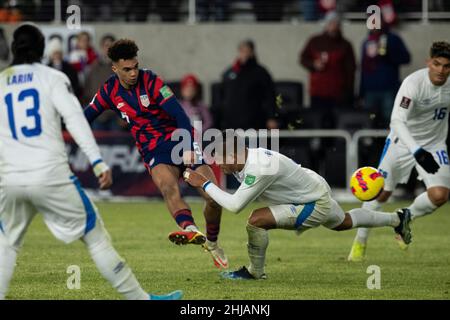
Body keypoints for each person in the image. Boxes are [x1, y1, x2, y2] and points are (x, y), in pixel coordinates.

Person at [0, 24, 182, 300]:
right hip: (50, 175)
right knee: (95, 236)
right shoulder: (52, 77)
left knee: (7, 246)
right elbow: (76, 120)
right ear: (41, 50)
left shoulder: (2, 81)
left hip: (11, 179)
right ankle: (141, 299)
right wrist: (97, 161)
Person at [182, 130, 412, 279]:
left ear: (234, 155)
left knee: (255, 221)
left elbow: (234, 206)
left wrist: (204, 184)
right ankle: (397, 219)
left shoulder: (259, 167)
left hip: (311, 201)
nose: (217, 164)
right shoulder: (243, 159)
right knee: (344, 222)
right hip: (312, 188)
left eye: (220, 159)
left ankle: (255, 272)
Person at [83, 39, 228, 269]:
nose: (133, 73)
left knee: (214, 198)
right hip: (153, 150)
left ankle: (212, 242)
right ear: (115, 69)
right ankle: (190, 229)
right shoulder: (109, 91)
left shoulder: (151, 81)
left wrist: (189, 147)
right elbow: (84, 118)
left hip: (179, 140)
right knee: (167, 186)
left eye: (135, 67)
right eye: (127, 69)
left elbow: (181, 116)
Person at [348, 41, 450, 262]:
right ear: (428, 62)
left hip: (434, 144)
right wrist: (416, 150)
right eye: (437, 64)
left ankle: (405, 218)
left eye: (446, 66)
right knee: (381, 192)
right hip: (402, 142)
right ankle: (360, 242)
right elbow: (396, 121)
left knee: (440, 195)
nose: (441, 70)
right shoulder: (413, 84)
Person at [300, 11, 356, 126]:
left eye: (336, 23)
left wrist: (349, 92)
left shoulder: (345, 45)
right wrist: (313, 64)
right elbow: (303, 59)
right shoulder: (314, 41)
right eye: (331, 23)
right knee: (318, 122)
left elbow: (351, 70)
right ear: (326, 25)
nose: (333, 26)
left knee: (336, 124)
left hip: (338, 94)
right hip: (318, 93)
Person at [216, 39, 278, 130]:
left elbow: (269, 96)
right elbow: (222, 96)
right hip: (232, 123)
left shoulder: (260, 72)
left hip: (254, 122)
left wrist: (271, 117)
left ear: (252, 53)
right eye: (242, 51)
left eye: (247, 51)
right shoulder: (230, 73)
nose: (244, 54)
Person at [359, 22, 410, 127]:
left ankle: (389, 143)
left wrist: (389, 54)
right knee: (369, 121)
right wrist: (361, 92)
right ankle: (371, 143)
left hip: (388, 89)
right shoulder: (367, 42)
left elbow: (406, 58)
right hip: (370, 90)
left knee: (390, 120)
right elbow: (363, 68)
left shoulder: (393, 39)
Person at [82, 34, 122, 131]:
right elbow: (87, 92)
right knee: (98, 145)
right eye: (106, 45)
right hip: (98, 117)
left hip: (116, 118)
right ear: (101, 47)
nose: (108, 49)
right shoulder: (93, 68)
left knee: (117, 146)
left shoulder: (122, 69)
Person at [47, 37, 82, 101]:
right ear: (51, 55)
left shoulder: (70, 68)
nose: (57, 55)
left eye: (58, 53)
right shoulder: (46, 69)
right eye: (55, 53)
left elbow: (76, 86)